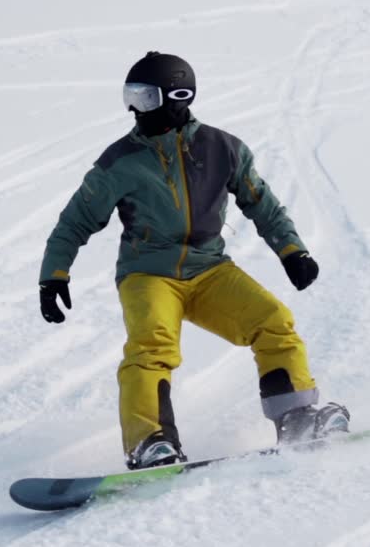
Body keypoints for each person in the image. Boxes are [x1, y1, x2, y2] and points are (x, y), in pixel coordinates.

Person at [38, 52, 349, 470]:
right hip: (148, 274)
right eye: (130, 97)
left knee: (273, 320)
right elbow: (75, 222)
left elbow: (264, 205)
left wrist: (292, 251)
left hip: (209, 270)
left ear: (178, 95)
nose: (135, 108)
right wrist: (53, 275)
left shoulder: (223, 148)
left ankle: (297, 419)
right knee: (152, 347)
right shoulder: (119, 162)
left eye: (146, 98)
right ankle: (150, 442)